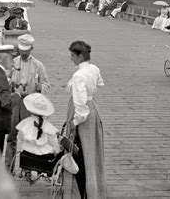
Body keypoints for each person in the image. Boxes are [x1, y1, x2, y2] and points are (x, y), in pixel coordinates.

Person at [63, 41, 106, 198]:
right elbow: (100, 83)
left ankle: (80, 190)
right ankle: (93, 188)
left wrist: (74, 122)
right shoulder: (93, 69)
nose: (71, 59)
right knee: (91, 152)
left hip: (82, 114)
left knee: (79, 153)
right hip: (93, 108)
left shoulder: (78, 75)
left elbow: (80, 107)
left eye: (73, 56)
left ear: (80, 56)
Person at [5, 34, 49, 170]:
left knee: (29, 136)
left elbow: (46, 84)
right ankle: (9, 166)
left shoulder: (38, 65)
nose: (23, 54)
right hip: (15, 102)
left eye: (26, 51)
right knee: (11, 134)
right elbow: (5, 80)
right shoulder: (13, 63)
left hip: (30, 104)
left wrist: (39, 87)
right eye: (21, 51)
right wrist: (10, 84)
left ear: (31, 49)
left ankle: (27, 168)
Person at [15, 93, 61, 171]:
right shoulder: (48, 126)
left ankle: (27, 172)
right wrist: (58, 151)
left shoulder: (25, 123)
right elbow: (54, 143)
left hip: (28, 154)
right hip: (44, 156)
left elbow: (20, 139)